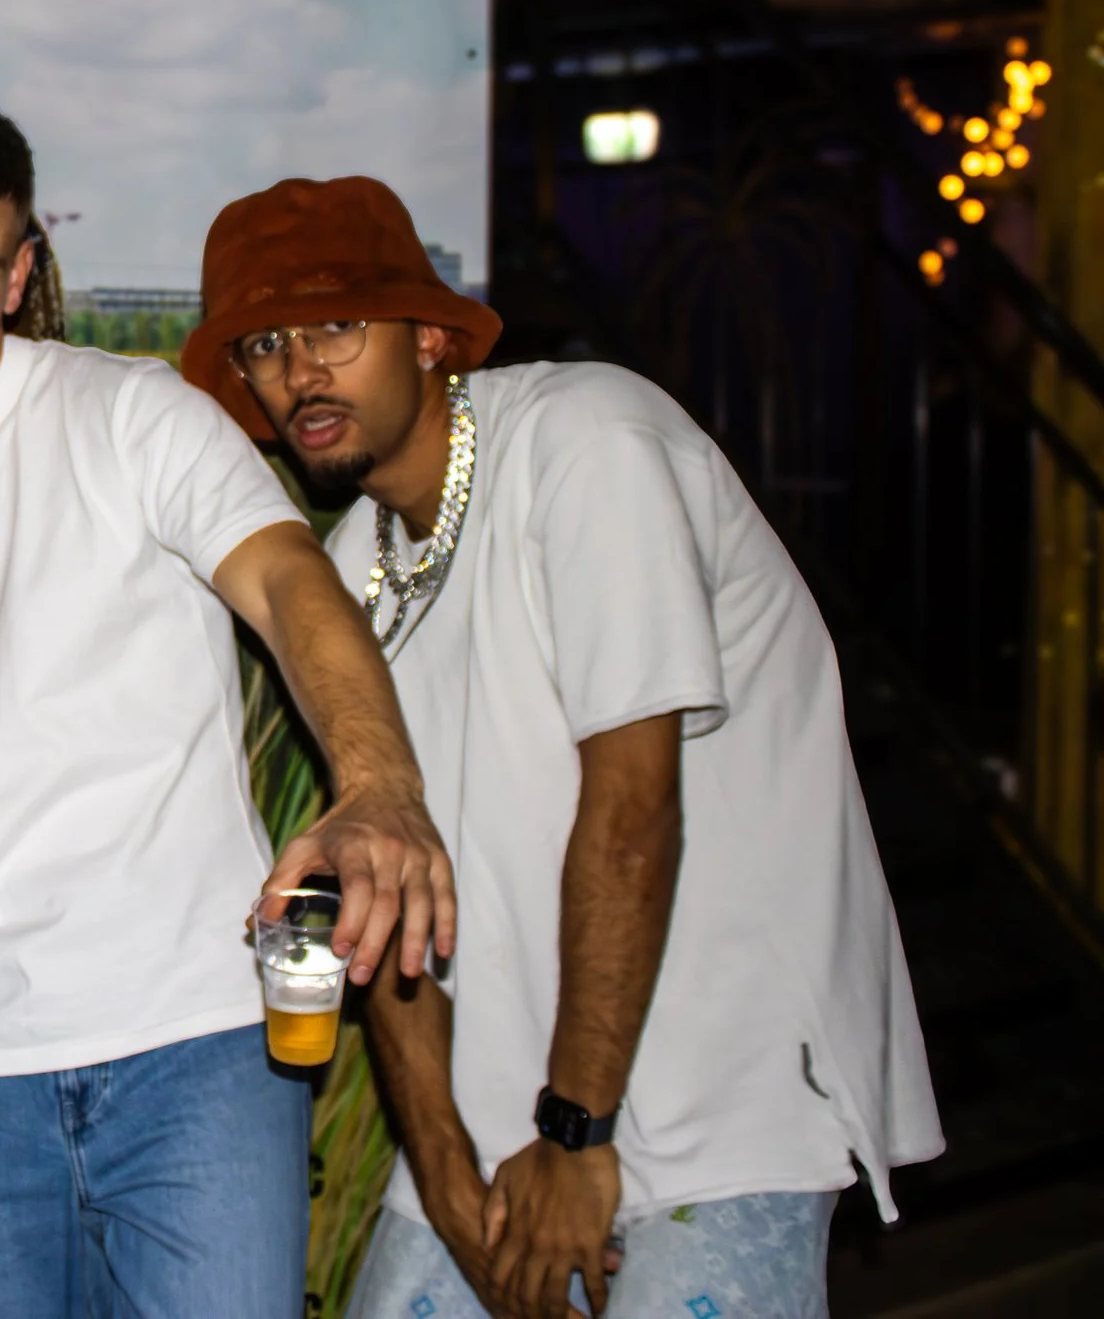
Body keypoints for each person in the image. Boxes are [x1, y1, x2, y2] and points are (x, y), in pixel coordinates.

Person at [181, 176, 942, 1319]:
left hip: (716, 1104)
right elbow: (389, 886)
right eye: (265, 344)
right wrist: (440, 1164)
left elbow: (631, 807)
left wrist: (577, 1128)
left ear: (428, 335)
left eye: (336, 324)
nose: (300, 371)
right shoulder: (345, 569)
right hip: (504, 1126)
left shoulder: (588, 439)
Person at [0, 96, 456, 1319]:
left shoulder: (129, 412)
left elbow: (288, 579)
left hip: (200, 1044)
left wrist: (378, 786)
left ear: (18, 276)